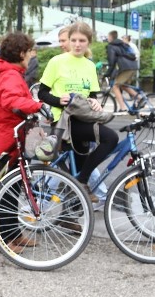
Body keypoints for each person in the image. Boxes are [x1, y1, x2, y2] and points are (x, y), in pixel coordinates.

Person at [38, 21, 118, 205]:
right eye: (73, 40)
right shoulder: (56, 62)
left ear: (88, 42)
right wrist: (59, 101)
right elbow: (42, 93)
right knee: (110, 138)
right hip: (63, 122)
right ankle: (83, 182)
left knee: (73, 173)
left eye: (82, 40)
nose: (77, 44)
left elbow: (91, 94)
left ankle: (68, 217)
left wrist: (95, 102)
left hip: (83, 119)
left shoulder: (89, 65)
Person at [0, 31, 46, 253]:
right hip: (9, 137)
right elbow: (11, 101)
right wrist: (37, 106)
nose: (32, 55)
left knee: (13, 190)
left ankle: (13, 234)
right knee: (7, 194)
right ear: (21, 53)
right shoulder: (10, 75)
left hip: (13, 135)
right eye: (30, 51)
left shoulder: (11, 73)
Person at [105, 30, 139, 111]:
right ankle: (140, 98)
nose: (107, 38)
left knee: (115, 86)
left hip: (126, 68)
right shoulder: (123, 44)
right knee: (123, 85)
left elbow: (112, 62)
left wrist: (107, 74)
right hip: (133, 66)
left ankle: (123, 107)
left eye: (108, 36)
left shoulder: (111, 46)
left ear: (110, 37)